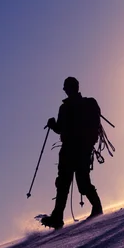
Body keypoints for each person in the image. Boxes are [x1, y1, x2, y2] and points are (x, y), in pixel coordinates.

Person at [41, 77, 104, 229]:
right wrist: (54, 125)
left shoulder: (67, 107)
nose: (65, 90)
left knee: (70, 183)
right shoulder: (87, 104)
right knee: (69, 182)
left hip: (74, 149)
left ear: (70, 88)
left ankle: (94, 209)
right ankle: (58, 216)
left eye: (66, 88)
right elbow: (62, 129)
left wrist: (53, 125)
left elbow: (60, 129)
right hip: (79, 149)